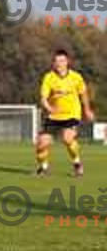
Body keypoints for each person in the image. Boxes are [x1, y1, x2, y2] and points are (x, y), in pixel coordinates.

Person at [36, 49, 94, 177]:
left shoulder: (76, 77)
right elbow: (43, 98)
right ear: (53, 63)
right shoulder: (49, 78)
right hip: (53, 115)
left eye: (62, 60)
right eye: (56, 61)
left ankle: (77, 163)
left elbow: (83, 93)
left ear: (67, 62)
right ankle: (43, 167)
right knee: (42, 145)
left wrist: (87, 109)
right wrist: (49, 108)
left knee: (67, 138)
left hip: (71, 114)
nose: (59, 63)